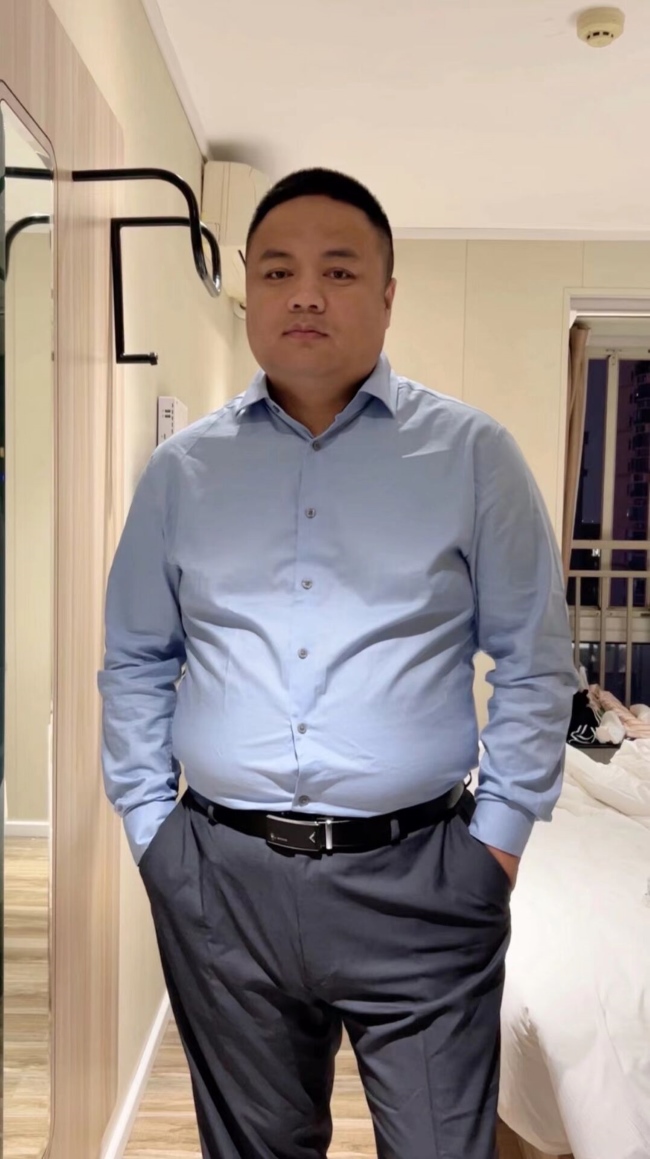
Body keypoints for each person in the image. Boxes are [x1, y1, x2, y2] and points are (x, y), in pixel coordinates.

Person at [98, 167, 578, 1159]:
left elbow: (534, 662)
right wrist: (152, 831)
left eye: (339, 270)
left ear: (387, 294)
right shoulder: (182, 471)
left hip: (423, 879)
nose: (305, 294)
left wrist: (492, 847)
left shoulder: (471, 456)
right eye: (277, 271)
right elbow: (137, 658)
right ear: (249, 292)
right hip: (220, 880)